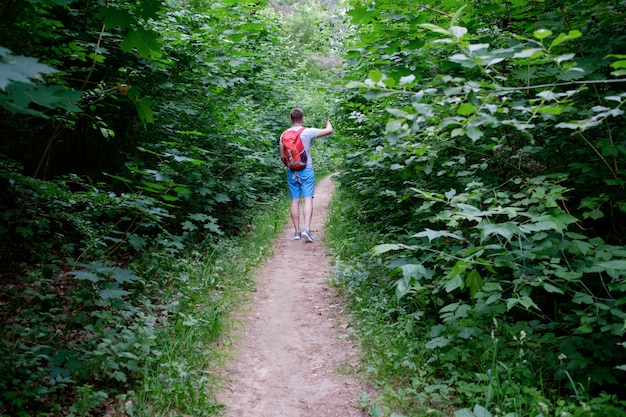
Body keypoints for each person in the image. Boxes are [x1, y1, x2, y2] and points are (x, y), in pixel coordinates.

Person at [279, 108, 333, 243]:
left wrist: (290, 166)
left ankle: (297, 232)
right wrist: (328, 123)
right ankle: (306, 230)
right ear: (302, 118)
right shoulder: (308, 132)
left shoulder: (284, 134)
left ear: (291, 119)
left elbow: (282, 156)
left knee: (294, 201)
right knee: (308, 199)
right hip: (306, 170)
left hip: (292, 171)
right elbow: (329, 131)